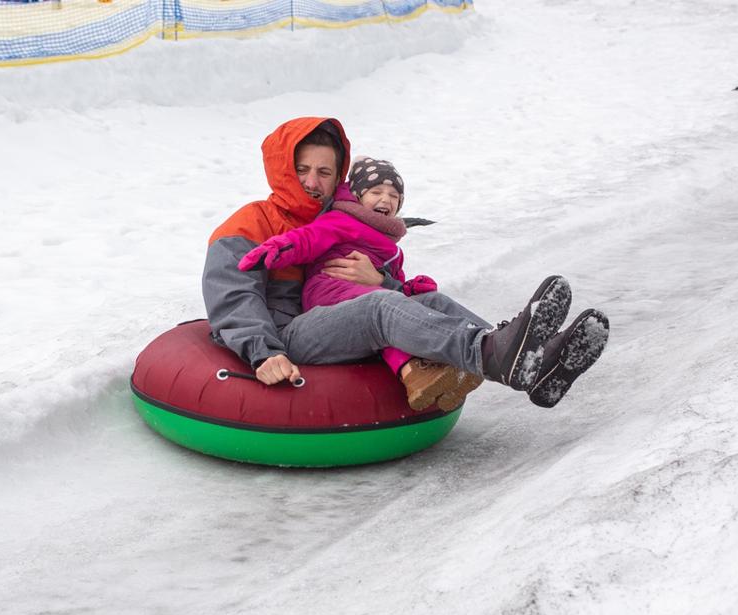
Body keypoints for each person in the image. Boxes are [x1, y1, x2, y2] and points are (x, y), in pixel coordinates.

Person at [202, 117, 608, 409]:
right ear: (283, 170)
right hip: (286, 334)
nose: (312, 182)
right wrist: (263, 352)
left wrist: (380, 279)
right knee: (377, 308)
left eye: (325, 171)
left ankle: (537, 361)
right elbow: (233, 297)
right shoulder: (250, 223)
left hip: (332, 315)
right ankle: (491, 353)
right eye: (302, 169)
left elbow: (389, 292)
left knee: (431, 301)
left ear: (339, 174)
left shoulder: (344, 217)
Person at [236, 155, 483, 411]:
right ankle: (445, 358)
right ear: (358, 196)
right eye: (376, 191)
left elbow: (397, 292)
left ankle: (492, 338)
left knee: (433, 301)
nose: (386, 199)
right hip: (330, 291)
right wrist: (276, 249)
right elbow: (308, 238)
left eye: (394, 195)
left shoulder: (391, 246)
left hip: (368, 295)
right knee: (383, 307)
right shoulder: (342, 219)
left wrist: (400, 286)